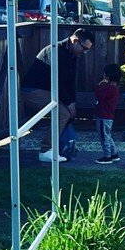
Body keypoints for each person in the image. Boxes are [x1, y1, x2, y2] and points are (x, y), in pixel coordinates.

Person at [21, 26, 93, 163]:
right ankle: (46, 150)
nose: (84, 52)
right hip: (32, 90)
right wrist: (69, 104)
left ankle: (60, 147)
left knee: (67, 113)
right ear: (75, 41)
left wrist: (72, 103)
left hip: (48, 90)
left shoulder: (72, 54)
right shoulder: (56, 52)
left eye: (87, 50)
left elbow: (69, 82)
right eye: (84, 48)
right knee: (63, 113)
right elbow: (56, 81)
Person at [95, 63, 121, 164]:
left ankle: (107, 156)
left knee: (103, 137)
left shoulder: (108, 88)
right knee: (108, 136)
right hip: (108, 116)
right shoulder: (115, 88)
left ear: (108, 76)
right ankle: (114, 154)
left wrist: (99, 85)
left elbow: (99, 96)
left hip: (103, 116)